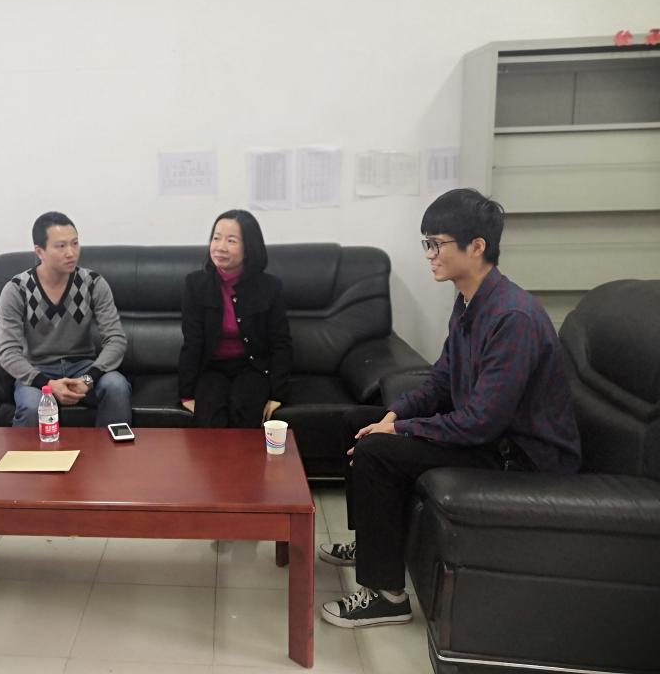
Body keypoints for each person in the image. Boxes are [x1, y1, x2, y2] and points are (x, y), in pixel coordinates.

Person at [319, 188, 581, 629]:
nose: (429, 254)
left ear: (476, 246)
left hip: (520, 455)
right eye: (427, 243)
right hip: (491, 436)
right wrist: (394, 416)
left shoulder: (512, 317)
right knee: (358, 422)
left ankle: (386, 596)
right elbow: (442, 379)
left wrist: (401, 432)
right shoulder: (468, 302)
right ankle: (372, 545)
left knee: (376, 450)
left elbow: (481, 423)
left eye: (436, 243)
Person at [0, 211, 131, 427]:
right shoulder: (17, 289)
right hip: (38, 370)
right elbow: (7, 351)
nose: (71, 253)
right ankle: (30, 452)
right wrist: (47, 383)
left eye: (75, 243)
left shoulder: (93, 283)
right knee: (32, 406)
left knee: (116, 386)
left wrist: (88, 379)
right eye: (61, 246)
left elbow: (116, 339)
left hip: (83, 367)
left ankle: (111, 449)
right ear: (40, 251)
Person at [177, 209, 292, 428]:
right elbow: (192, 341)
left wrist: (278, 394)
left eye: (231, 240)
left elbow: (281, 343)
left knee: (245, 410)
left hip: (253, 368)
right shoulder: (195, 285)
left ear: (249, 247)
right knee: (210, 416)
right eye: (216, 238)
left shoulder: (270, 287)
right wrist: (186, 393)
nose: (220, 247)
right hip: (212, 368)